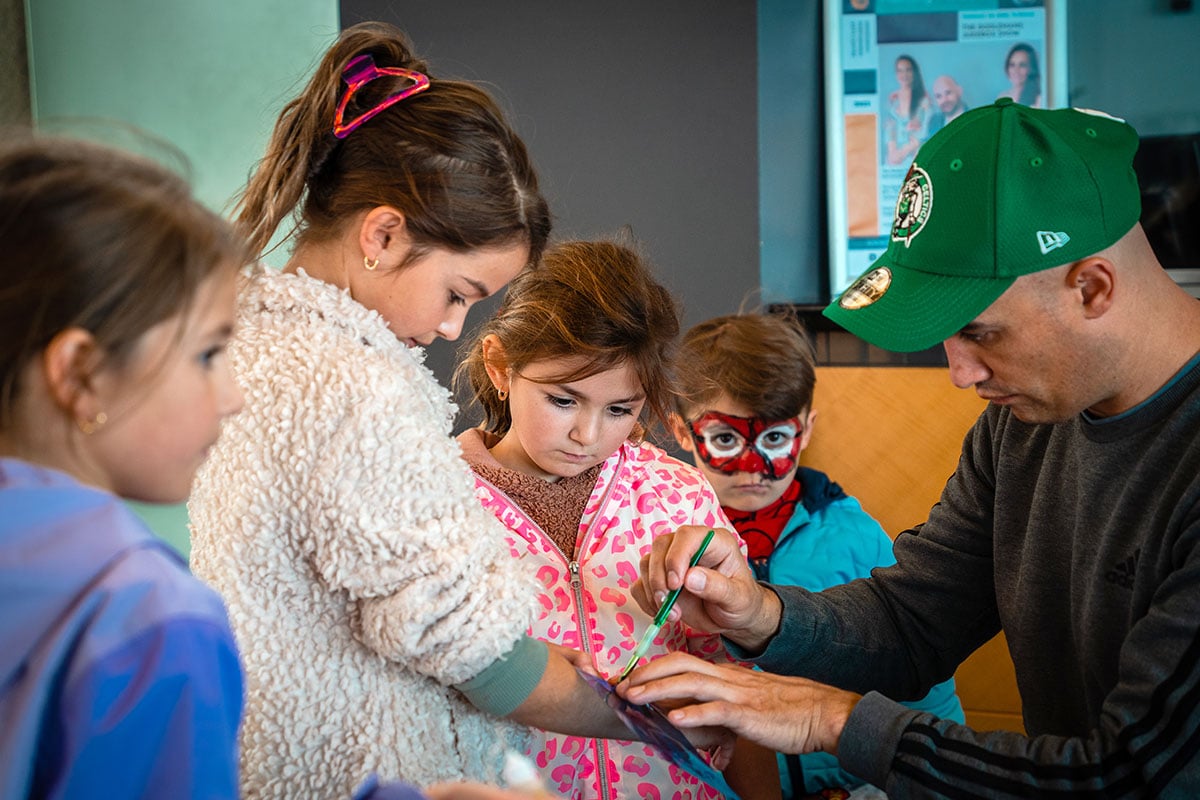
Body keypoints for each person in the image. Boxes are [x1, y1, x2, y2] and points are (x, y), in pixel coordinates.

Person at [618, 99, 1200, 796]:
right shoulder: (1021, 427)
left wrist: (831, 720)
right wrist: (761, 613)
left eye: (979, 332)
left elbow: (1128, 774)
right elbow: (912, 620)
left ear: (1093, 288)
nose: (961, 373)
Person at [188, 22, 670, 800]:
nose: (451, 328)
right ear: (382, 233)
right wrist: (651, 720)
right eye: (457, 294)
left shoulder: (254, 342)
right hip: (366, 771)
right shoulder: (355, 388)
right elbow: (464, 642)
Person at [454, 240, 778, 800]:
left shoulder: (677, 493)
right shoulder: (436, 500)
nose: (587, 434)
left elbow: (734, 689)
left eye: (620, 410)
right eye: (563, 401)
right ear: (500, 366)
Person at [669, 311, 964, 797]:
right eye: (725, 439)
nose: (753, 467)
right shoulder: (666, 544)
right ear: (682, 431)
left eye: (775, 439)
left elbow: (922, 673)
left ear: (805, 430)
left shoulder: (856, 537)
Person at [884, 55, 932, 167]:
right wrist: (897, 153)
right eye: (900, 71)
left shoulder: (924, 100)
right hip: (895, 163)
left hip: (917, 160)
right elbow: (889, 132)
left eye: (908, 70)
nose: (904, 75)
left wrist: (906, 150)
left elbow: (923, 134)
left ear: (914, 72)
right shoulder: (892, 101)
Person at [998, 42, 1041, 107]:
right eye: (1012, 65)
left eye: (1022, 65)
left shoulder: (1039, 99)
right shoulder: (1002, 97)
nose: (1016, 70)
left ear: (1031, 68)